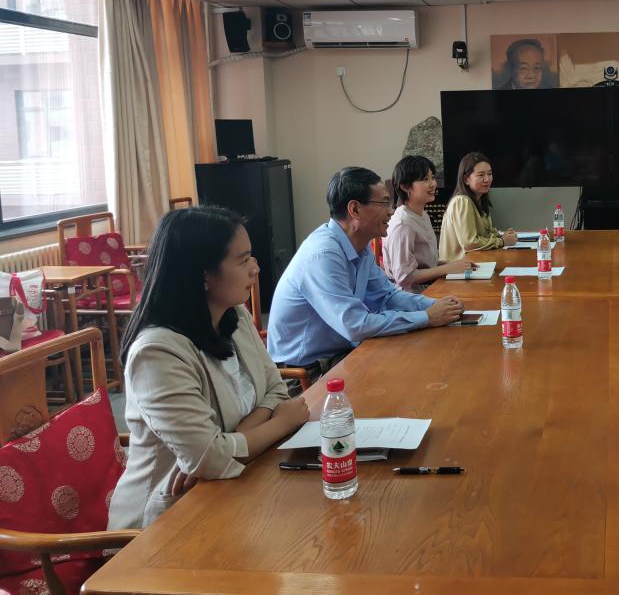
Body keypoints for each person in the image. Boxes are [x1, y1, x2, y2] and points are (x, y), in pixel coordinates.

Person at [108, 207, 310, 529]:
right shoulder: (157, 353)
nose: (255, 268)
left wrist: (226, 444)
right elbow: (210, 458)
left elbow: (275, 390)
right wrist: (282, 423)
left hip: (230, 488)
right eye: (243, 260)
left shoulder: (234, 314)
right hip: (163, 521)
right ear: (203, 275)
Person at [267, 167, 464, 378]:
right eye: (384, 203)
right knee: (414, 374)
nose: (391, 211)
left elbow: (387, 296)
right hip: (306, 372)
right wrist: (426, 317)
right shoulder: (323, 255)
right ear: (355, 210)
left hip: (342, 352)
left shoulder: (359, 246)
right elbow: (355, 325)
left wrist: (437, 306)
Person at [383, 155, 474, 292]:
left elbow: (426, 264)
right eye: (425, 179)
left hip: (429, 287)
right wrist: (448, 268)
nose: (433, 184)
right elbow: (404, 277)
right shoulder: (403, 224)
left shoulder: (422, 214)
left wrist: (456, 264)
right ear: (405, 186)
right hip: (411, 295)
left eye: (433, 178)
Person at [439, 152, 517, 261]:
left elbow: (485, 233)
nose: (487, 179)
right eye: (481, 175)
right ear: (466, 179)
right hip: (460, 267)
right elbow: (469, 243)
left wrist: (502, 235)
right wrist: (502, 241)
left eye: (489, 174)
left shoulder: (479, 199)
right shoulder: (462, 201)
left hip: (476, 263)